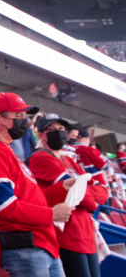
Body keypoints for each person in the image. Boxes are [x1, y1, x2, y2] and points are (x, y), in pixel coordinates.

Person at [0, 92, 74, 277]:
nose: (24, 121)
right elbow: (5, 207)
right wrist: (51, 214)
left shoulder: (7, 151)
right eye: (18, 116)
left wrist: (61, 188)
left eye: (24, 116)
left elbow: (31, 199)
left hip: (42, 244)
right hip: (25, 247)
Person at [28, 113, 108, 277]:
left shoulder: (68, 161)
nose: (58, 132)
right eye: (52, 129)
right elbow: (78, 192)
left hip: (86, 235)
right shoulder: (41, 157)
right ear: (41, 134)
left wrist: (87, 195)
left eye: (61, 129)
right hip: (68, 236)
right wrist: (91, 203)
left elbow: (103, 192)